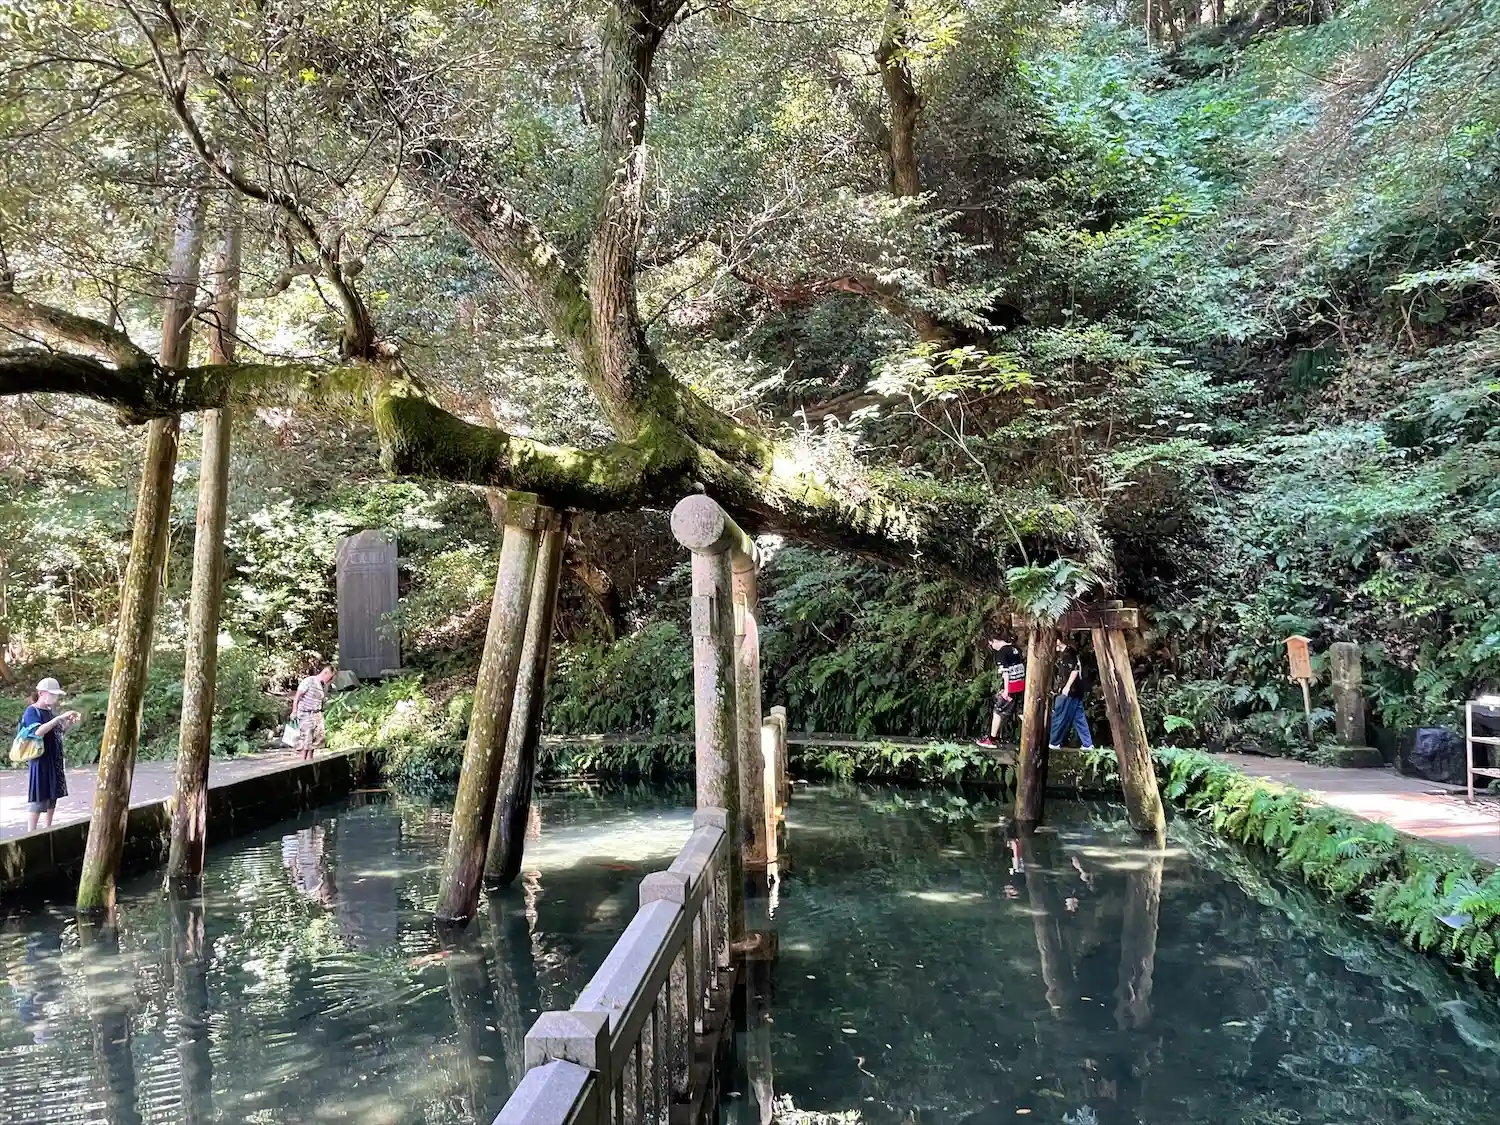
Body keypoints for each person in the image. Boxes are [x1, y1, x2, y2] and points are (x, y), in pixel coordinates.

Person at [20, 677, 80, 832]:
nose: (55, 698)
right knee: (39, 797)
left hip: (54, 758)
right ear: (41, 693)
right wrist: (58, 718)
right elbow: (37, 732)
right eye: (52, 694)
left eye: (56, 695)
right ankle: (31, 832)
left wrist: (68, 723)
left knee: (53, 795)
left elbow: (58, 732)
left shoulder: (49, 711)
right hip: (40, 759)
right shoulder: (31, 711)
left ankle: (48, 829)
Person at [977, 635, 1027, 748]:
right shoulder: (1016, 649)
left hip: (1012, 686)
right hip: (1021, 685)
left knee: (998, 710)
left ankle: (992, 739)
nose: (992, 647)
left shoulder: (1001, 653)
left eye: (991, 645)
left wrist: (1006, 690)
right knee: (1020, 711)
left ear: (994, 641)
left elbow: (1006, 673)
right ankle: (1035, 732)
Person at [1049, 640, 1094, 750]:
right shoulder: (1067, 653)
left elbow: (1075, 670)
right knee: (1079, 718)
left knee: (1060, 715)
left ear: (1059, 641)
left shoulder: (1068, 654)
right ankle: (1087, 744)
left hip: (1071, 691)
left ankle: (1054, 742)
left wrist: (1067, 687)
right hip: (1076, 690)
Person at [291, 665, 335, 760]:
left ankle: (310, 760)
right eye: (330, 677)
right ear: (325, 673)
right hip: (306, 713)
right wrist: (294, 711)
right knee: (306, 739)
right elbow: (297, 696)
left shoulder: (322, 686)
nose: (330, 680)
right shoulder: (309, 681)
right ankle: (303, 761)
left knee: (316, 739)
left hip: (317, 714)